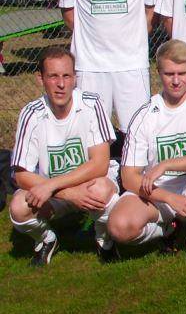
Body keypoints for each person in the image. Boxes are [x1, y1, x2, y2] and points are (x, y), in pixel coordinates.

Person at [107, 40, 186, 267]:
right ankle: (166, 229)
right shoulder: (144, 115)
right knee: (119, 227)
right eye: (169, 73)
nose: (175, 80)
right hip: (155, 192)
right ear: (158, 72)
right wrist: (168, 198)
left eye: (182, 73)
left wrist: (166, 164)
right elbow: (129, 177)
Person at [8, 47, 120, 266]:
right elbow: (21, 176)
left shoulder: (91, 103)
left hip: (87, 185)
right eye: (53, 76)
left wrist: (56, 186)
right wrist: (67, 193)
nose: (61, 84)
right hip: (54, 192)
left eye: (66, 76)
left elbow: (100, 164)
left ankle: (103, 238)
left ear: (75, 78)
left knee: (101, 189)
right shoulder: (31, 113)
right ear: (40, 78)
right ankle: (46, 240)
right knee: (18, 207)